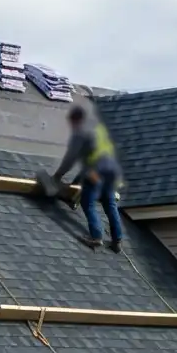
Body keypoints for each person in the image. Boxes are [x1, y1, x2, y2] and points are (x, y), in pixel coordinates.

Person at [51, 104, 123, 249]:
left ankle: (96, 237)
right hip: (111, 172)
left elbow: (70, 159)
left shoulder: (79, 133)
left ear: (75, 120)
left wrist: (57, 176)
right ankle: (117, 240)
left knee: (88, 202)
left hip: (95, 173)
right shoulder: (98, 129)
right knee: (109, 203)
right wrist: (76, 181)